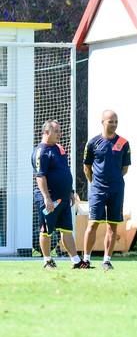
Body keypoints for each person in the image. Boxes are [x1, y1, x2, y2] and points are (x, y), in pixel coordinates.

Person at [32, 120, 88, 269]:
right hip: (49, 199)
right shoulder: (41, 151)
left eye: (60, 131)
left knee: (67, 230)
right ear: (46, 132)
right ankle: (47, 260)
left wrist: (70, 192)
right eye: (56, 131)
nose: (60, 134)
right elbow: (40, 176)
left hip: (63, 198)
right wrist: (46, 198)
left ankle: (76, 261)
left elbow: (65, 171)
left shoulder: (59, 148)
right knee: (46, 230)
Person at [83, 110, 131, 270]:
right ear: (102, 122)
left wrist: (113, 180)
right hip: (97, 189)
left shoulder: (123, 143)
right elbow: (87, 167)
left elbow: (125, 169)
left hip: (116, 189)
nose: (114, 124)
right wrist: (95, 183)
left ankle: (107, 261)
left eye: (116, 121)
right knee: (93, 223)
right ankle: (86, 259)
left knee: (113, 225)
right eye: (111, 121)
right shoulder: (92, 143)